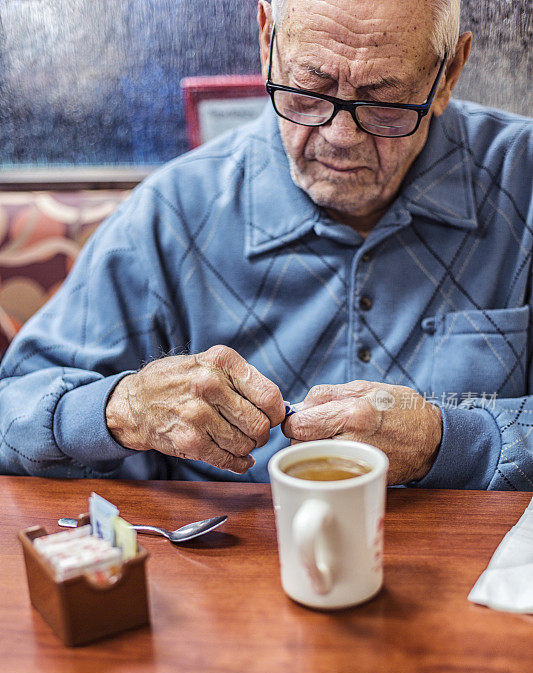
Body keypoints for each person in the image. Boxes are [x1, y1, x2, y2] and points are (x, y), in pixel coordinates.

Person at [0, 0, 531, 489]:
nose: (340, 137)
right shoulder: (176, 212)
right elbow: (10, 409)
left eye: (385, 103)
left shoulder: (522, 181)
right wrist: (122, 408)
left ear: (448, 73)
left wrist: (455, 442)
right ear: (266, 41)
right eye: (309, 90)